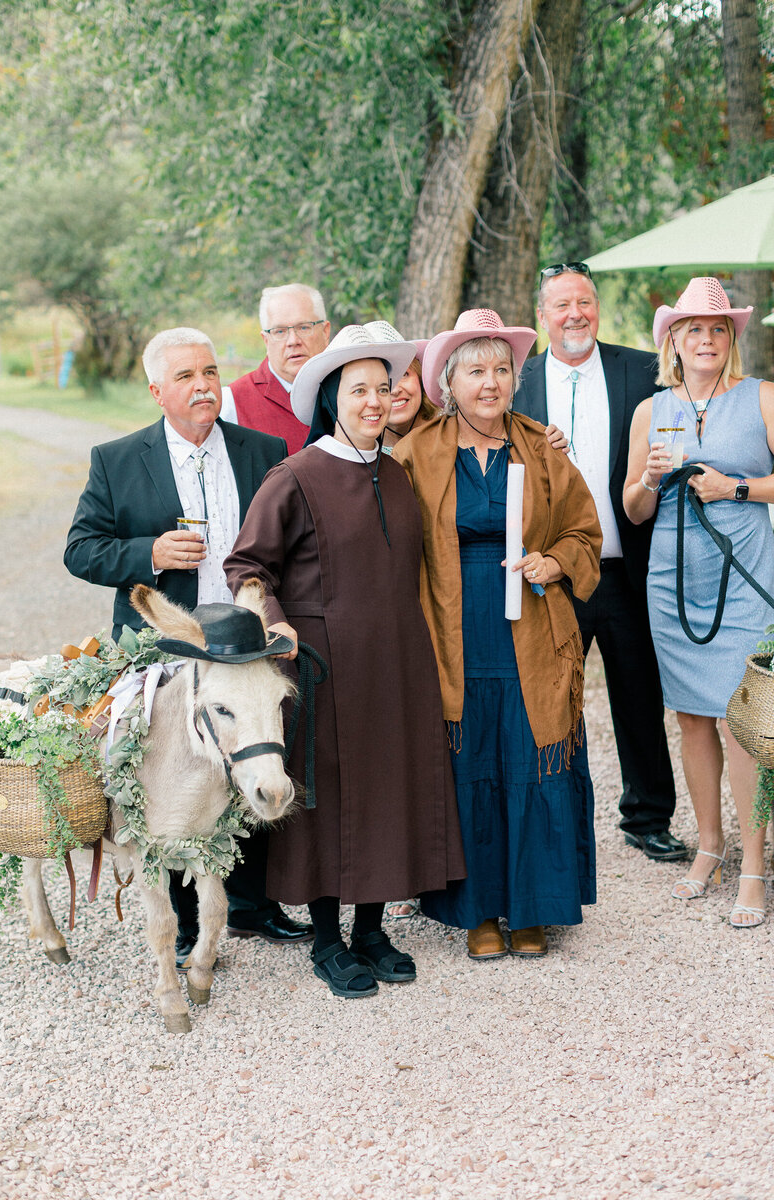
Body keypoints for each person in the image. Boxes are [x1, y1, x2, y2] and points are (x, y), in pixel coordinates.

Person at [223, 326, 466, 997]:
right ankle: (328, 941)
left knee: (390, 790)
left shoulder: (395, 471)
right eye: (359, 390)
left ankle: (372, 931)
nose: (374, 401)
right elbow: (246, 564)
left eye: (383, 389)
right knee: (330, 802)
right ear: (333, 398)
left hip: (396, 661)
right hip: (324, 666)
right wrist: (274, 625)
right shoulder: (296, 476)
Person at [64, 327, 313, 965]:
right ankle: (177, 920)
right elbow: (80, 549)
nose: (203, 386)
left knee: (253, 750)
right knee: (171, 771)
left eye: (208, 373)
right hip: (164, 641)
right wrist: (146, 552)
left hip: (243, 636)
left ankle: (254, 905)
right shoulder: (117, 459)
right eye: (185, 378)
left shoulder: (264, 451)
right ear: (156, 391)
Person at [394, 308, 602, 960]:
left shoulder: (541, 448)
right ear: (448, 383)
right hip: (453, 631)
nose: (491, 383)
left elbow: (583, 534)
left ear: (516, 377)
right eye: (476, 370)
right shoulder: (414, 455)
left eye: (502, 370)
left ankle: (533, 906)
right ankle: (479, 910)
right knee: (469, 765)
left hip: (531, 631)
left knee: (531, 760)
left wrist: (556, 561)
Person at [514, 263, 684, 863]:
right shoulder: (516, 381)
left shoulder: (644, 370)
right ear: (543, 316)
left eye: (584, 302)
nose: (574, 315)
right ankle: (549, 816)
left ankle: (647, 815)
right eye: (561, 305)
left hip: (629, 567)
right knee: (551, 697)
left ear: (598, 308)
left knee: (640, 693)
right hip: (553, 573)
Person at [624, 277, 773, 929]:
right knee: (689, 717)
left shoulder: (763, 397)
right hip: (674, 577)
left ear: (729, 339)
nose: (706, 339)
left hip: (744, 573)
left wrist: (734, 487)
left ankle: (754, 863)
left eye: (717, 329)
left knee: (744, 721)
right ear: (673, 343)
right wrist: (651, 479)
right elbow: (633, 509)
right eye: (693, 330)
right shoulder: (649, 411)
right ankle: (709, 844)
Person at [229, 283, 331, 453]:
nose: (293, 341)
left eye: (304, 327)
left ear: (325, 332)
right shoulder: (232, 403)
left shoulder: (353, 390)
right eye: (280, 331)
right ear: (266, 340)